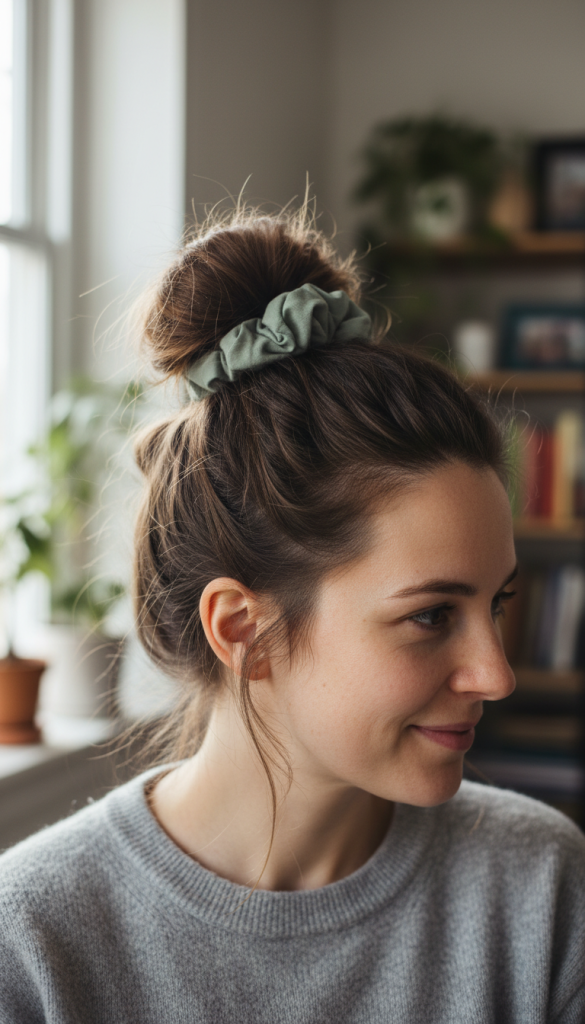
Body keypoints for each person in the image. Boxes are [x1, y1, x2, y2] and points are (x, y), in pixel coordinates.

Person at [1, 206, 584, 1024]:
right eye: (429, 616)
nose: (495, 673)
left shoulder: (539, 889)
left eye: (497, 602)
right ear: (243, 629)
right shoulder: (31, 940)